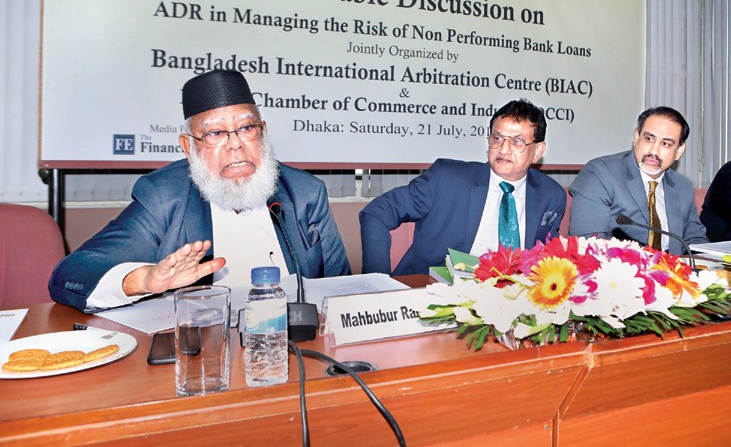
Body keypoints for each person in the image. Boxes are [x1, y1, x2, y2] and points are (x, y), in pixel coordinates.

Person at [49, 70, 351, 313]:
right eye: (215, 133)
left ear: (263, 133)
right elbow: (72, 271)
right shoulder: (165, 195)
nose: (235, 144)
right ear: (188, 147)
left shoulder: (305, 192)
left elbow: (341, 289)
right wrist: (144, 279)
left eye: (247, 128)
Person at [360, 99, 567, 275]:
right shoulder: (447, 178)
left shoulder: (550, 195)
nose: (503, 149)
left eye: (517, 142)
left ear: (538, 150)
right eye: (497, 138)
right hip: (438, 292)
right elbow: (376, 213)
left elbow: (544, 257)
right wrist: (377, 282)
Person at [568, 106, 707, 254]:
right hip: (618, 271)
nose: (654, 151)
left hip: (673, 272)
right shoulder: (601, 173)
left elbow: (696, 242)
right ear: (636, 138)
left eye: (665, 144)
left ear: (679, 151)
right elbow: (588, 243)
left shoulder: (682, 187)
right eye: (649, 139)